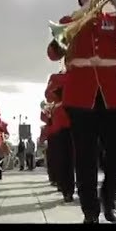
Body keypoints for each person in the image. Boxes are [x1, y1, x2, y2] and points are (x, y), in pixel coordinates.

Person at [47, 0, 116, 223]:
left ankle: (108, 199)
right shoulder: (69, 21)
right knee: (85, 158)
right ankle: (91, 211)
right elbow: (53, 53)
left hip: (113, 94)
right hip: (80, 97)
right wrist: (74, 25)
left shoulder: (114, 19)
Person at [45, 72, 75, 201]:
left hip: (75, 117)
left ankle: (70, 187)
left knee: (73, 157)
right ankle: (66, 188)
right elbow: (48, 95)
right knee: (62, 157)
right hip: (60, 121)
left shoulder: (78, 73)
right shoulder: (55, 77)